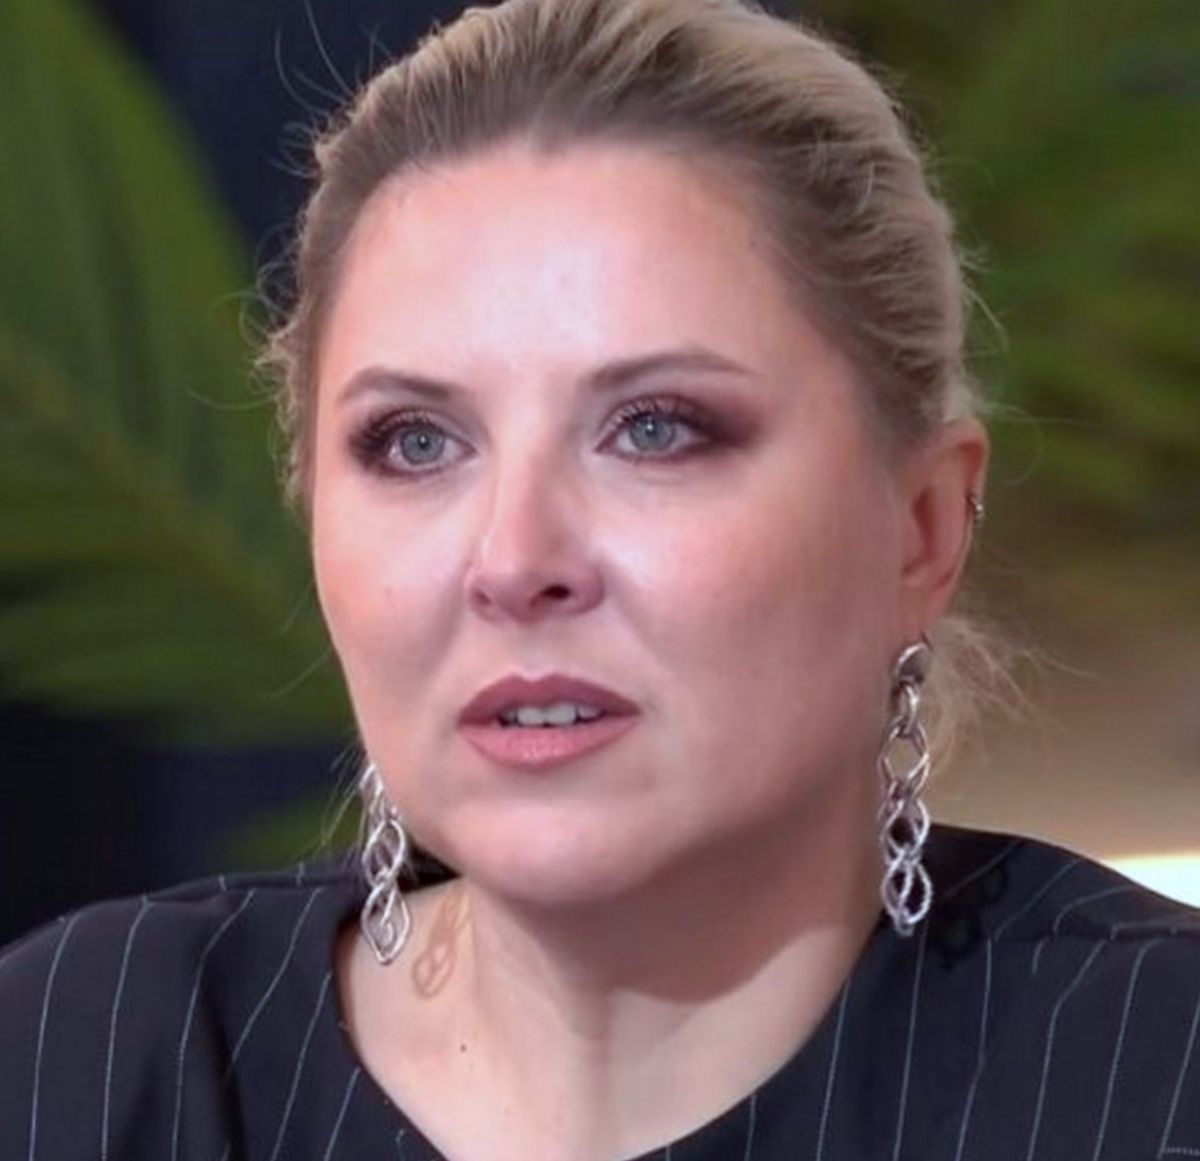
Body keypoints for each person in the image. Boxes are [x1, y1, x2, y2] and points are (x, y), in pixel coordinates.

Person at [2, 0, 1198, 1158]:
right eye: (416, 442)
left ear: (923, 529)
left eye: (656, 430)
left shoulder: (1155, 1077)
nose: (516, 562)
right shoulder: (81, 1061)